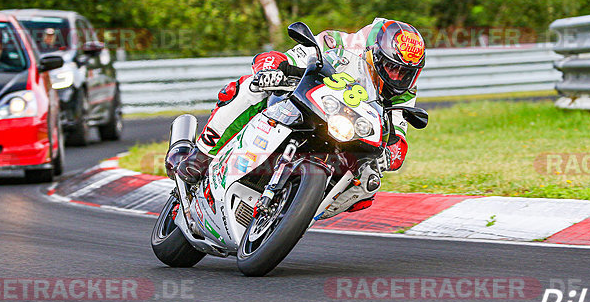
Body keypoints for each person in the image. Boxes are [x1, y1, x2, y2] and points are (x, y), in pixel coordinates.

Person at [168, 18, 426, 208]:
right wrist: (272, 66)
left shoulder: (404, 92)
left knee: (369, 183)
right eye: (392, 68)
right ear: (374, 55)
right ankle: (200, 154)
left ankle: (300, 208)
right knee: (251, 86)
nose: (397, 77)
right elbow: (295, 55)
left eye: (405, 72)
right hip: (306, 107)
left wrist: (392, 153)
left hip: (345, 136)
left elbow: (398, 133)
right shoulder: (340, 46)